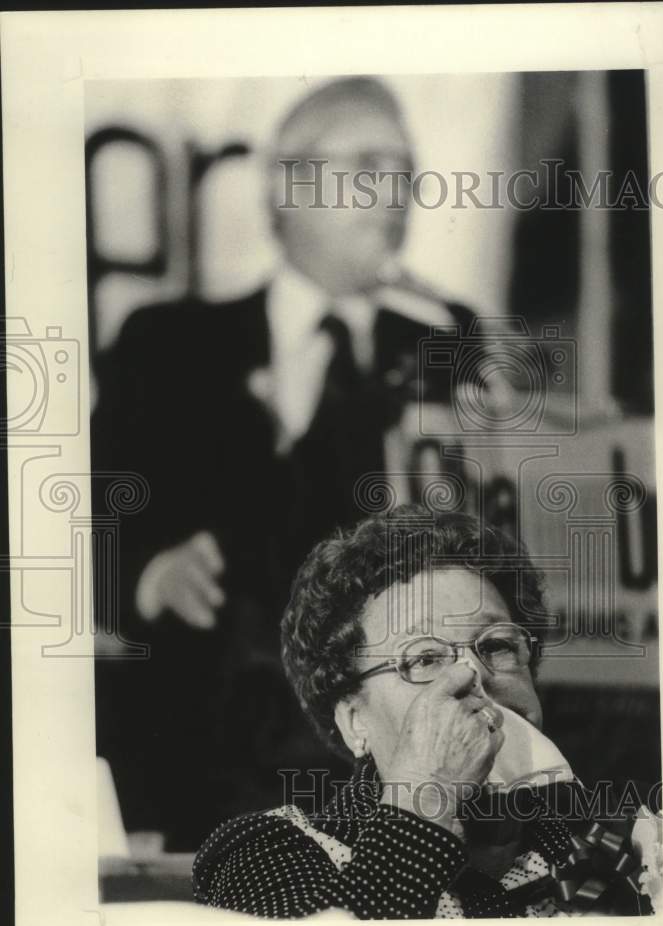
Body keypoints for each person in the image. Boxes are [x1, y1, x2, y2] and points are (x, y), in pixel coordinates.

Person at [91, 76, 475, 850]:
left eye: (405, 171)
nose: (395, 192)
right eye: (368, 162)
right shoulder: (166, 345)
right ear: (288, 187)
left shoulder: (448, 343)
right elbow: (74, 525)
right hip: (205, 776)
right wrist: (147, 574)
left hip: (401, 776)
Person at [193, 506, 657, 918]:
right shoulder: (266, 852)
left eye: (496, 646)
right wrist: (427, 795)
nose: (472, 674)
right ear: (355, 721)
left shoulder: (625, 844)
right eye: (424, 658)